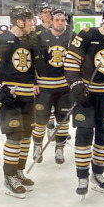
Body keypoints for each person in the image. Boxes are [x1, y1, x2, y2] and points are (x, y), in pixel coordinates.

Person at [64, 2, 104, 198]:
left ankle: (97, 173)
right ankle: (82, 176)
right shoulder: (87, 35)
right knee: (84, 135)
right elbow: (71, 63)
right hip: (86, 95)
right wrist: (76, 86)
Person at [0, 5, 36, 198]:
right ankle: (9, 176)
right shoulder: (1, 39)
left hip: (28, 97)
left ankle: (19, 171)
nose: (32, 23)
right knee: (14, 137)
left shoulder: (30, 40)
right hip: (9, 98)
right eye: (29, 20)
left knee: (26, 136)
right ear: (19, 22)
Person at [31, 9, 73, 165]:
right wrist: (33, 81)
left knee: (63, 120)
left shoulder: (72, 36)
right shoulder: (39, 36)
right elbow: (31, 60)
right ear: (52, 20)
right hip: (44, 87)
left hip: (64, 87)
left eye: (62, 20)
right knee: (40, 120)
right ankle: (37, 146)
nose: (60, 23)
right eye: (57, 20)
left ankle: (59, 148)